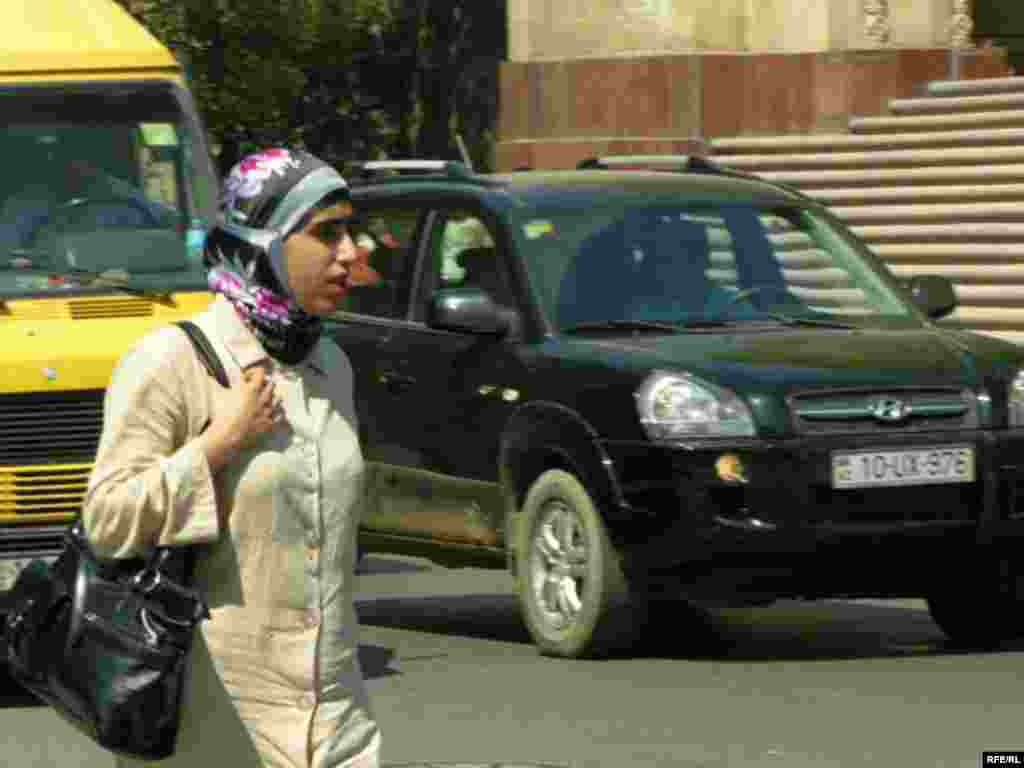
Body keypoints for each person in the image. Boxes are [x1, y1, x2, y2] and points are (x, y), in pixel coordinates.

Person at [81, 148, 381, 768]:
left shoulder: (332, 366)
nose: (352, 252)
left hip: (334, 717)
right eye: (327, 233)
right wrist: (216, 447)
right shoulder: (172, 361)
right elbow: (107, 519)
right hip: (212, 722)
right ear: (259, 244)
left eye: (352, 231)